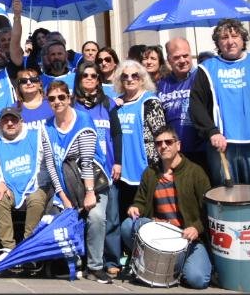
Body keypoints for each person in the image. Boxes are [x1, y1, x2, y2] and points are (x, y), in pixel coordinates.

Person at [119, 126, 212, 289]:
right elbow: (140, 200)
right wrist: (135, 207)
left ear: (178, 145)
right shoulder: (150, 172)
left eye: (168, 142)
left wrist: (196, 228)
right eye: (159, 143)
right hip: (158, 230)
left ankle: (173, 267)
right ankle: (147, 262)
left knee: (199, 279)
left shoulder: (195, 172)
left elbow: (209, 210)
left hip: (185, 236)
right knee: (128, 225)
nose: (163, 146)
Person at [44, 81, 110, 283]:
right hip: (64, 186)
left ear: (69, 97)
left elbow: (88, 160)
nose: (57, 101)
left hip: (92, 184)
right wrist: (63, 197)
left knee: (96, 217)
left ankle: (95, 266)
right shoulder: (47, 126)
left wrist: (89, 192)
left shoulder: (83, 120)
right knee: (54, 216)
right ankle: (70, 262)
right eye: (52, 98)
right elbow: (51, 165)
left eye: (61, 97)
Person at [0, 106, 67, 265]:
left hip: (37, 185)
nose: (9, 123)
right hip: (9, 188)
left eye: (13, 119)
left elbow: (50, 162)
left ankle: (28, 245)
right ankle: (8, 248)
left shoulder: (36, 136)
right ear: (0, 124)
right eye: (5, 120)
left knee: (36, 200)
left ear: (21, 121)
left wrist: (41, 181)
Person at [190, 18, 250, 186]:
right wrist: (211, 131)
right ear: (217, 43)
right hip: (221, 144)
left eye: (234, 36)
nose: (230, 41)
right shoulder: (207, 68)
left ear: (243, 39)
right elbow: (196, 104)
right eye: (224, 38)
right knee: (227, 195)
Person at [72, 60, 123, 276]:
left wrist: (118, 161)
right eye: (86, 76)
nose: (90, 79)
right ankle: (84, 258)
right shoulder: (72, 105)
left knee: (109, 217)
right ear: (79, 80)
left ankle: (111, 259)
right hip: (80, 170)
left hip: (106, 169)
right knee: (85, 216)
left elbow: (116, 134)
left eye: (94, 76)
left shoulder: (108, 103)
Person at [112, 60, 165, 222]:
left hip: (144, 169)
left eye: (135, 75)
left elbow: (161, 135)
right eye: (125, 76)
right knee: (124, 216)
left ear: (142, 79)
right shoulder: (116, 104)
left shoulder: (150, 101)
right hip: (121, 172)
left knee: (144, 216)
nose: (130, 79)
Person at [157, 38, 205, 170]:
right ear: (169, 60)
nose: (183, 60)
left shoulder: (202, 77)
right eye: (177, 57)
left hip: (202, 150)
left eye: (186, 55)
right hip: (174, 153)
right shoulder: (161, 84)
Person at [13, 67, 53, 132]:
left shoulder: (52, 102)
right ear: (19, 87)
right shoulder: (14, 109)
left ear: (40, 85)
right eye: (23, 81)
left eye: (33, 80)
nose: (28, 83)